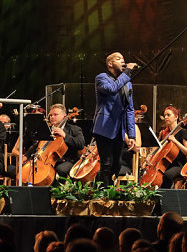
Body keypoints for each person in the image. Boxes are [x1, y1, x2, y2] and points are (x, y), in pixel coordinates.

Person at [92, 51, 138, 185]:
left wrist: (132, 135)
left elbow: (130, 109)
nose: (123, 61)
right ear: (110, 63)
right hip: (104, 127)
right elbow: (112, 89)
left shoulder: (127, 83)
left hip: (119, 129)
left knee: (117, 165)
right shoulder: (101, 78)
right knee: (106, 164)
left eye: (123, 59)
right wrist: (127, 71)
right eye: (119, 59)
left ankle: (103, 187)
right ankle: (104, 197)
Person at [44, 103, 85, 180]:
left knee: (60, 170)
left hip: (68, 161)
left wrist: (65, 135)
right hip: (48, 161)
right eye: (51, 115)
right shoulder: (47, 130)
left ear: (64, 116)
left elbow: (81, 144)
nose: (52, 117)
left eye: (55, 115)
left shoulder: (75, 129)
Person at [155, 106, 187, 188]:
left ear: (176, 117)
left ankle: (164, 197)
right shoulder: (164, 133)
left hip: (180, 165)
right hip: (166, 163)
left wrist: (175, 141)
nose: (166, 117)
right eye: (165, 115)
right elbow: (157, 149)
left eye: (168, 115)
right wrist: (150, 155)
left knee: (167, 175)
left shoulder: (184, 132)